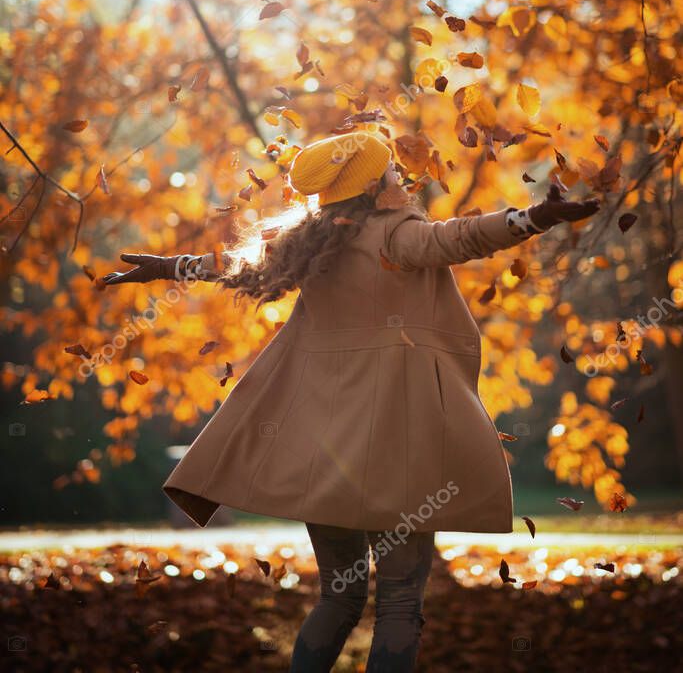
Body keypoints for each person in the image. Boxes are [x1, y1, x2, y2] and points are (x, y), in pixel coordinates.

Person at [103, 131, 599, 672]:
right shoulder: (394, 234)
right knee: (401, 602)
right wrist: (535, 218)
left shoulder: (306, 244)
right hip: (396, 446)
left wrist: (166, 268)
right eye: (391, 172)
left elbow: (233, 266)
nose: (400, 178)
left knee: (339, 598)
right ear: (374, 185)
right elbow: (460, 238)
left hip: (325, 451)